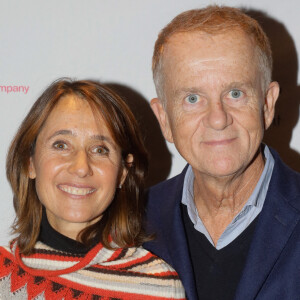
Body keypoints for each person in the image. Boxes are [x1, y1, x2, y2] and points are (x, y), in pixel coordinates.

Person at [144, 5, 300, 300]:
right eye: (192, 98)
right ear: (164, 119)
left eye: (235, 93)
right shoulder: (130, 223)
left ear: (267, 104)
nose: (218, 118)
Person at [0, 79, 186, 299]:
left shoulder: (157, 287)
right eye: (61, 145)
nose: (81, 167)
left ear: (122, 173)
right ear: (30, 163)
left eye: (100, 149)